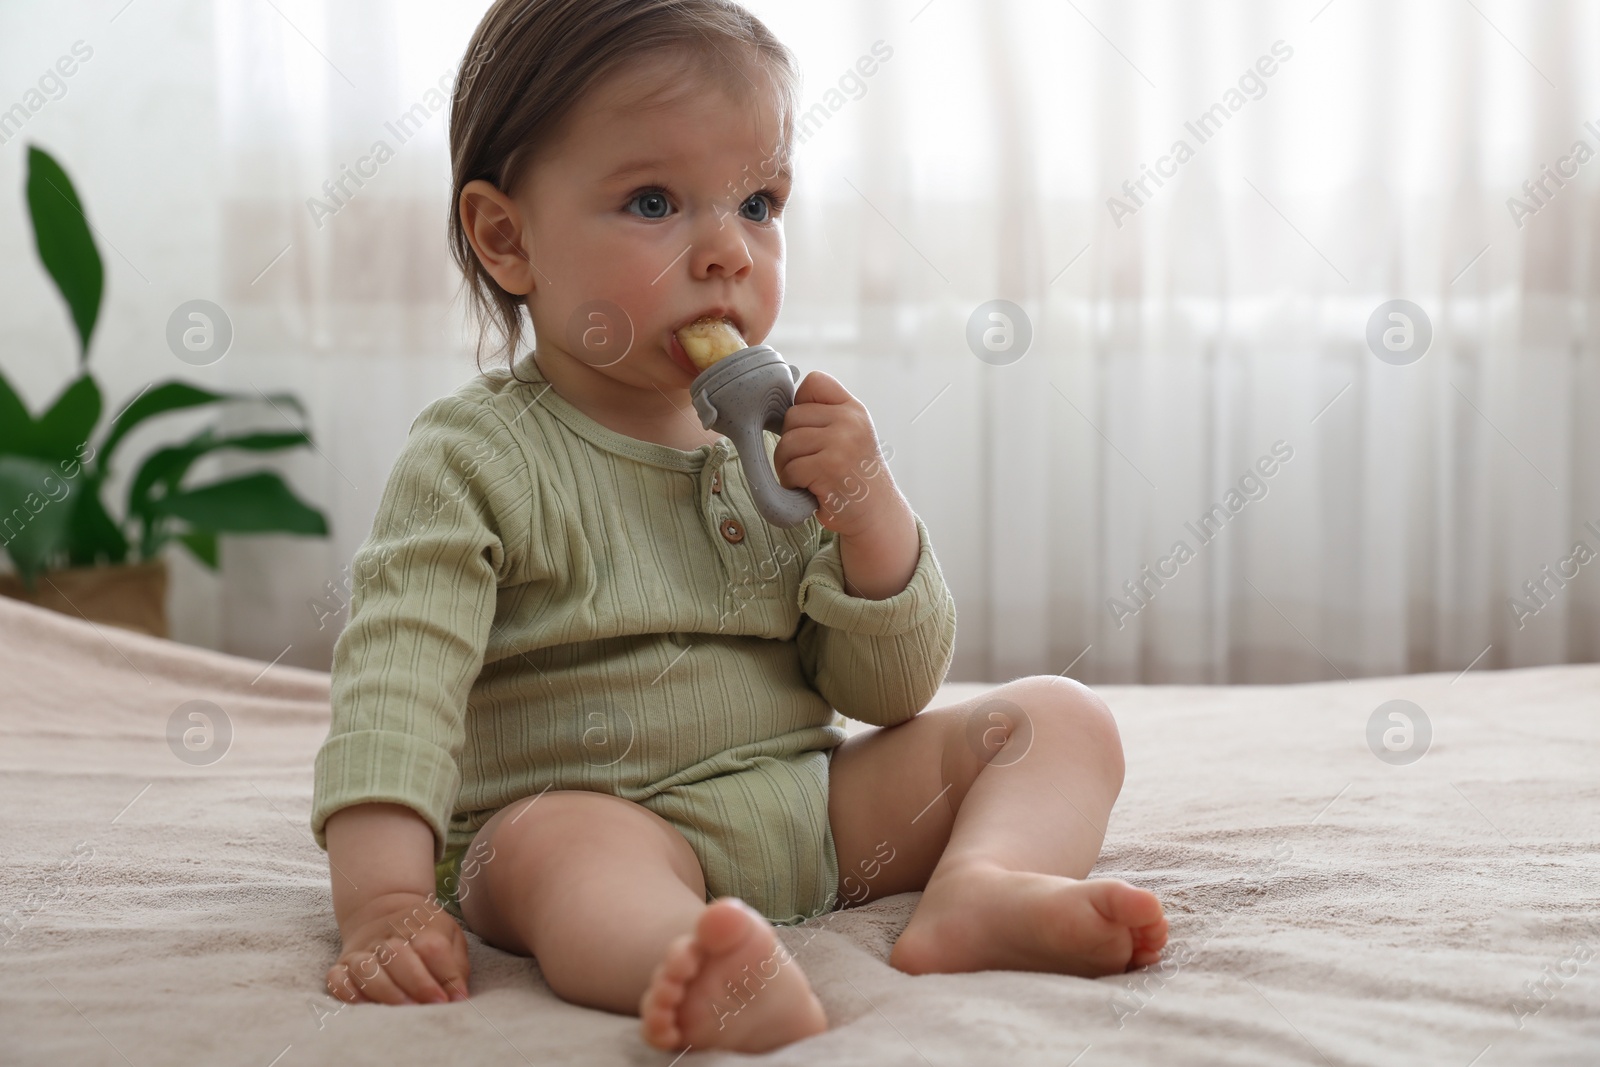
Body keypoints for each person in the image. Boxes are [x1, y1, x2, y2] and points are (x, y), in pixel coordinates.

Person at [310, 0, 1167, 1053]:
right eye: (655, 200)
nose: (726, 251)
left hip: (809, 811)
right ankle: (692, 954)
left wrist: (869, 516)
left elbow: (886, 692)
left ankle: (981, 888)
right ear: (508, 237)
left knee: (1058, 714)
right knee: (553, 847)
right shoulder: (475, 459)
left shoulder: (775, 442)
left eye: (758, 203)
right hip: (593, 816)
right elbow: (395, 693)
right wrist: (384, 901)